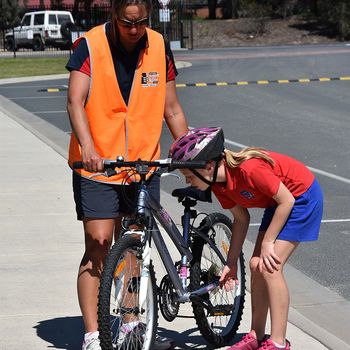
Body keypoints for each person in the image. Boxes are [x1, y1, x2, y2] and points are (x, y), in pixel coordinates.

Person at [65, 0, 188, 348]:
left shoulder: (159, 46)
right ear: (114, 13)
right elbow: (75, 100)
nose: (135, 30)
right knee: (100, 243)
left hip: (142, 166)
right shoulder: (89, 45)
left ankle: (132, 326)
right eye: (127, 22)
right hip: (99, 166)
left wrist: (190, 152)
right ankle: (93, 335)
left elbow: (172, 107)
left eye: (141, 22)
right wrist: (88, 146)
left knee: (134, 245)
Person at [168, 127, 323, 350]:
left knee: (270, 267)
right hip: (277, 203)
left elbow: (287, 201)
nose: (189, 182)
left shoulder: (248, 170)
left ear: (208, 167)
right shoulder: (219, 185)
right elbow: (241, 219)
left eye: (190, 176)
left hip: (301, 197)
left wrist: (268, 242)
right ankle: (255, 335)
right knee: (254, 264)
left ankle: (279, 343)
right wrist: (230, 263)